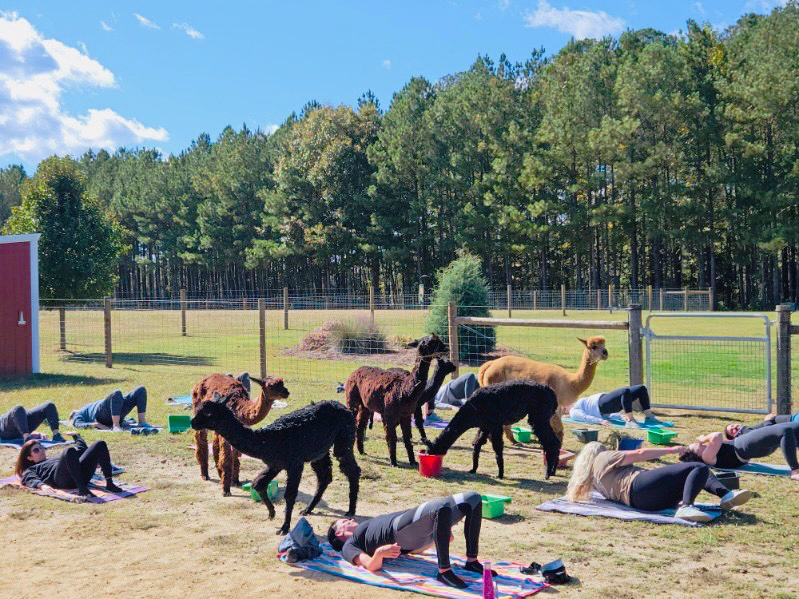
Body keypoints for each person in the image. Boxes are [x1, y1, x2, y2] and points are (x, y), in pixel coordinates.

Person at [328, 491, 490, 589]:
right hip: (397, 532)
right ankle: (444, 572)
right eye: (344, 522)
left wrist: (438, 535)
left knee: (474, 499)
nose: (349, 520)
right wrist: (379, 553)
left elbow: (416, 549)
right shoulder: (348, 546)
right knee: (440, 507)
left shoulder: (363, 527)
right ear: (339, 534)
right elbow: (370, 565)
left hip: (413, 527)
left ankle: (472, 561)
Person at [566, 441, 751, 523]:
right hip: (638, 487)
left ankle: (726, 495)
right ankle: (687, 506)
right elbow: (639, 454)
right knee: (698, 467)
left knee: (696, 472)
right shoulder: (604, 456)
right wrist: (671, 450)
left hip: (645, 502)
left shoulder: (596, 480)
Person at [681, 422, 799, 481]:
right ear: (697, 455)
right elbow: (717, 435)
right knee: (785, 431)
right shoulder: (706, 458)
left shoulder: (710, 453)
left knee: (794, 429)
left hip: (750, 448)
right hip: (744, 446)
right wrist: (704, 438)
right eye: (696, 445)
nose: (699, 443)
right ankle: (795, 471)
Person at [15, 435, 122, 499]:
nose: (42, 450)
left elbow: (82, 450)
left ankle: (109, 483)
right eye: (36, 450)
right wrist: (42, 486)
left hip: (81, 475)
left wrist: (77, 436)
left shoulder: (55, 458)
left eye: (42, 447)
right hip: (63, 480)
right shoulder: (32, 469)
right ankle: (82, 489)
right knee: (69, 450)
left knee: (100, 444)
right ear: (29, 457)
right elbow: (28, 478)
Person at [566, 384, 666, 429]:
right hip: (601, 405)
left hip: (606, 402)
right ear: (565, 409)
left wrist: (618, 416)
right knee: (624, 391)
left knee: (641, 388)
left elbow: (608, 416)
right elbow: (585, 417)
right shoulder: (573, 412)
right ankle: (630, 420)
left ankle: (649, 417)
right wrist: (600, 421)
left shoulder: (576, 404)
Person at [70, 386, 151, 431]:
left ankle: (142, 422)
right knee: (116, 393)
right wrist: (96, 425)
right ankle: (116, 426)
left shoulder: (85, 408)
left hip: (115, 408)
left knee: (141, 390)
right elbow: (78, 424)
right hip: (101, 415)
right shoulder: (78, 413)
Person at [0, 402, 65, 442]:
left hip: (22, 423)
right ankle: (27, 438)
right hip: (5, 430)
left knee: (49, 405)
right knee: (18, 409)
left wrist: (38, 434)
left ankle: (56, 434)